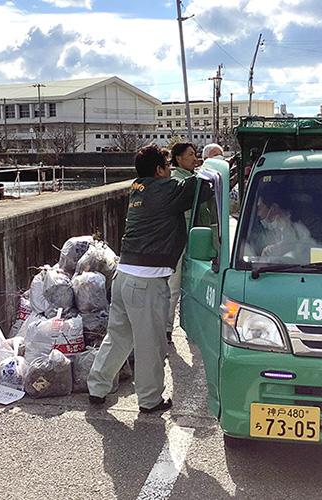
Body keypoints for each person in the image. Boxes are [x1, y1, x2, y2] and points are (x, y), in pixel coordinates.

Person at [88, 143, 200, 414]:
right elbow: (200, 188)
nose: (172, 171)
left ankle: (97, 387)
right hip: (146, 283)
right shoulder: (163, 190)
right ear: (159, 171)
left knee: (118, 337)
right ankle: (150, 400)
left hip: (124, 275)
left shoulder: (138, 187)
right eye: (168, 166)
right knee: (151, 343)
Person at [164, 142, 200, 344]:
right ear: (178, 158)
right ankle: (167, 328)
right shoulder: (178, 181)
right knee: (174, 286)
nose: (195, 159)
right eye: (191, 155)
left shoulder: (191, 178)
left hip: (192, 240)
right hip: (179, 241)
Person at [252, 184, 315, 259]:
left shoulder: (302, 227)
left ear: (274, 208)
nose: (258, 214)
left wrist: (284, 248)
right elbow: (252, 261)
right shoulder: (259, 234)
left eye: (260, 209)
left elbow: (313, 252)